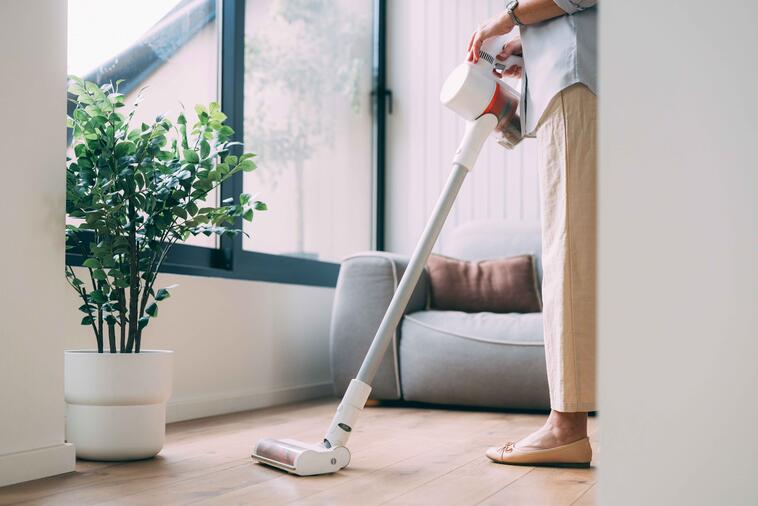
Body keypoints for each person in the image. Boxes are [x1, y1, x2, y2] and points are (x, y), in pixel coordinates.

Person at [467, 0, 598, 467]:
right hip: (595, 72)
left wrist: (507, 16)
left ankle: (566, 427)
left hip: (580, 79)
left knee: (571, 248)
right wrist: (534, 41)